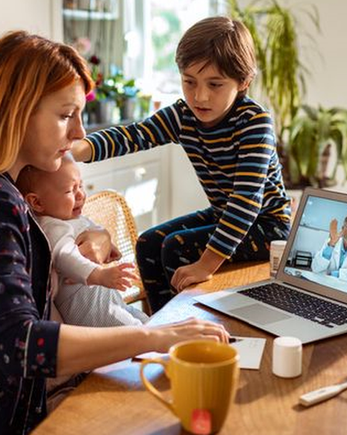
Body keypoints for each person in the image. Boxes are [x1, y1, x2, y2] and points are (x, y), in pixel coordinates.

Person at [0, 31, 228, 435]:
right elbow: (21, 343)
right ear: (15, 111)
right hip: (8, 419)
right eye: (66, 115)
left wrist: (94, 239)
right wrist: (154, 337)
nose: (80, 133)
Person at [72, 16, 291, 313]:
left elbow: (245, 203)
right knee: (149, 242)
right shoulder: (182, 115)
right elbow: (134, 135)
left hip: (269, 227)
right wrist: (77, 149)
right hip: (224, 214)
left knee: (176, 246)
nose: (200, 96)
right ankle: (163, 323)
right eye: (189, 82)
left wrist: (207, 264)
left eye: (215, 84)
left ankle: (187, 323)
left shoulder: (254, 124)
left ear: (243, 82)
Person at [16, 154, 149, 327]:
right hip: (86, 308)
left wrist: (109, 247)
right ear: (37, 202)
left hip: (105, 300)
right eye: (70, 190)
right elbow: (66, 256)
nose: (81, 195)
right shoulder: (51, 226)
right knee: (138, 332)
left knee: (146, 322)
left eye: (80, 185)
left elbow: (91, 229)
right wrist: (99, 274)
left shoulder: (69, 217)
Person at [311, 213, 347, 283]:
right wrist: (332, 244)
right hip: (325, 282)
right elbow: (315, 268)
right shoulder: (331, 241)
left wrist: (336, 274)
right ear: (343, 228)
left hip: (345, 287)